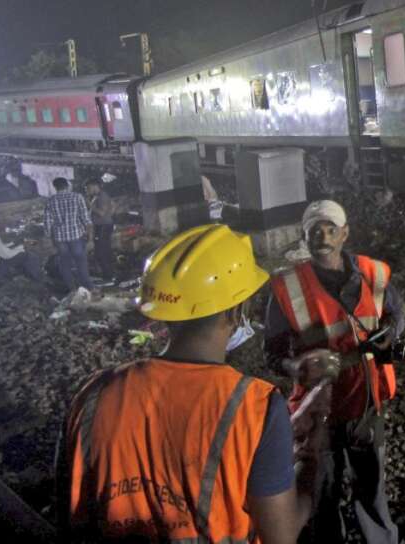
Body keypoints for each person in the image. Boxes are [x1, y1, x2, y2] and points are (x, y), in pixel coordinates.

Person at [56, 224, 316, 543]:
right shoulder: (256, 407)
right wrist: (313, 466)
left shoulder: (93, 394)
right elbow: (282, 536)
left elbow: (68, 508)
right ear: (237, 312)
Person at [265, 199, 403, 544]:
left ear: (345, 234)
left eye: (330, 229)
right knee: (320, 495)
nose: (322, 237)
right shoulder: (286, 288)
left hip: (366, 401)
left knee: (371, 489)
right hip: (317, 410)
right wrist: (295, 366)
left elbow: (395, 316)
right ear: (304, 236)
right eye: (315, 231)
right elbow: (273, 352)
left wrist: (390, 336)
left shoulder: (374, 274)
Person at [44, 177, 92, 292]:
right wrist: (89, 235)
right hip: (76, 236)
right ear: (67, 185)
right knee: (80, 261)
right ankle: (87, 287)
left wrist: (49, 237)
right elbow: (85, 218)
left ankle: (71, 288)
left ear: (55, 187)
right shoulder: (77, 197)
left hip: (60, 238)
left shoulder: (51, 200)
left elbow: (47, 222)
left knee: (64, 262)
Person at [84, 178, 117, 281]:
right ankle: (108, 274)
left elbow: (102, 212)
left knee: (102, 251)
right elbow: (113, 207)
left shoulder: (102, 196)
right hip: (102, 226)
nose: (87, 190)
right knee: (102, 251)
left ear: (95, 186)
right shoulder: (97, 197)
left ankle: (108, 276)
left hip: (103, 227)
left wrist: (90, 206)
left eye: (88, 188)